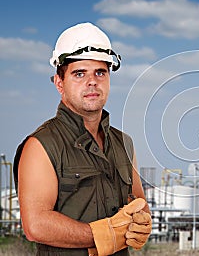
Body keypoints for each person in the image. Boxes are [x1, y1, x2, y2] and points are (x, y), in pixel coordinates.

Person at [13, 22, 152, 256]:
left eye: (100, 72)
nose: (92, 82)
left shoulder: (123, 143)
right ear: (59, 82)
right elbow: (36, 225)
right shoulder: (40, 146)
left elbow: (138, 202)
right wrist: (101, 234)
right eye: (79, 73)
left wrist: (142, 221)